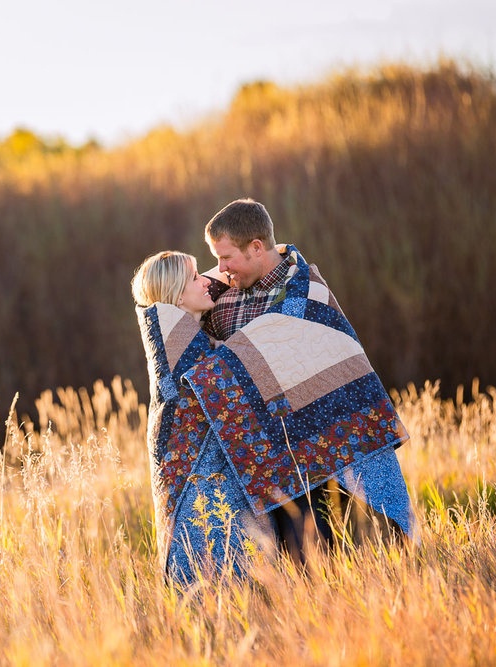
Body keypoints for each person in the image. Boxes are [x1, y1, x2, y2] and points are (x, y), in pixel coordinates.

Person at [198, 198, 417, 562]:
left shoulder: (307, 292)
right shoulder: (222, 305)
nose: (220, 269)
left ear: (256, 247)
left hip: (325, 447)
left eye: (226, 258)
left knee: (357, 552)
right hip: (271, 458)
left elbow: (342, 363)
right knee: (297, 563)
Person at [132, 251, 273, 584]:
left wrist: (263, 256)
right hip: (198, 477)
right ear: (179, 295)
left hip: (219, 476)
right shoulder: (179, 347)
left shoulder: (186, 333)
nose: (208, 282)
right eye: (196, 278)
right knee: (214, 577)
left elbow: (211, 282)